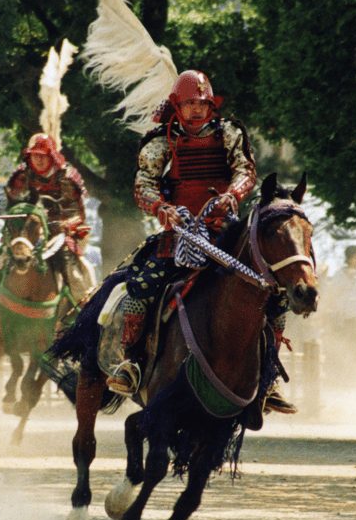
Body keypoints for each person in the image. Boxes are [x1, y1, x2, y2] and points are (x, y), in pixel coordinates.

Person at [108, 69, 259, 398]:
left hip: (226, 232)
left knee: (270, 290)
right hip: (179, 234)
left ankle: (268, 373)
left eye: (201, 103)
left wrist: (231, 195)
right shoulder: (160, 142)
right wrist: (162, 208)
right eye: (189, 103)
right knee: (140, 289)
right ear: (176, 104)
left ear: (211, 105)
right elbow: (143, 184)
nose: (196, 109)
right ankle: (132, 363)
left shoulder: (229, 133)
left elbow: (245, 170)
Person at [4, 132, 92, 295]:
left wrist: (62, 224)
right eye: (35, 155)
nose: (38, 159)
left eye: (43, 155)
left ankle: (80, 308)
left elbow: (79, 214)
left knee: (73, 272)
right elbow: (14, 202)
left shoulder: (66, 177)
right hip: (27, 229)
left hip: (61, 233)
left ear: (51, 156)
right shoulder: (22, 175)